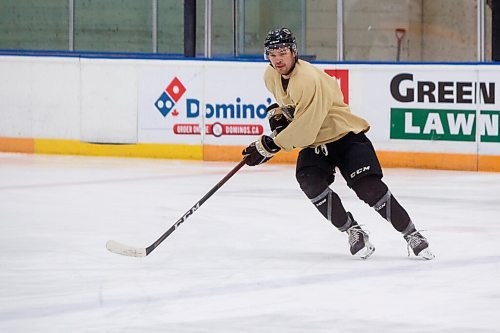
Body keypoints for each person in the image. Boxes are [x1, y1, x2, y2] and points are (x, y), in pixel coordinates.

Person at [242, 27, 434, 260]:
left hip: (345, 137)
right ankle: (353, 231)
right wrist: (281, 117)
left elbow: (306, 127)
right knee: (309, 182)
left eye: (282, 52)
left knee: (368, 188)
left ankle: (412, 234)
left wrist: (270, 146)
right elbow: (296, 113)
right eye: (272, 54)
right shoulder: (270, 75)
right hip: (317, 144)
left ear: (293, 51)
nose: (277, 59)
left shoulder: (308, 79)